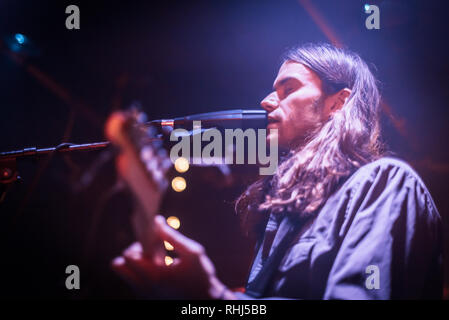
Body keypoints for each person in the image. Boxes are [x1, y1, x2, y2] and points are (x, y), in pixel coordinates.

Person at [111, 43, 442, 299]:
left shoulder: (386, 183)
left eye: (288, 89)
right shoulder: (283, 211)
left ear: (337, 103)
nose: (267, 101)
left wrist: (213, 294)